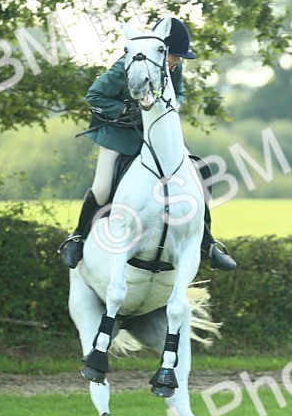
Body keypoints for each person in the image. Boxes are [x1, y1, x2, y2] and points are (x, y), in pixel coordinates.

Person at [60, 17, 238, 271]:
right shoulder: (124, 66)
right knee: (101, 189)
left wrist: (175, 104)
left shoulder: (173, 68)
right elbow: (94, 95)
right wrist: (123, 110)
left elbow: (180, 93)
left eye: (177, 57)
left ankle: (207, 243)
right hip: (119, 136)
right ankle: (77, 237)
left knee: (198, 173)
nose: (176, 62)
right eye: (174, 56)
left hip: (159, 135)